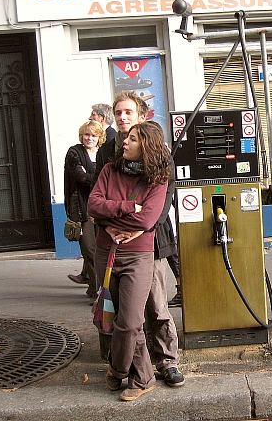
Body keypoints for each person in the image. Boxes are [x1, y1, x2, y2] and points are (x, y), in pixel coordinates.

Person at [96, 91, 185, 387]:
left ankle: (166, 360)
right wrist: (107, 224)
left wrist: (142, 227)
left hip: (151, 242)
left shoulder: (156, 149)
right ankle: (130, 367)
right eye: (118, 112)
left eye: (128, 112)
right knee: (121, 311)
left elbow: (163, 199)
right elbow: (96, 198)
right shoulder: (108, 151)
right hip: (114, 240)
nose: (122, 117)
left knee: (156, 306)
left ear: (141, 115)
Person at [88, 122, 170, 401]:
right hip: (106, 253)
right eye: (126, 138)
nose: (125, 142)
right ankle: (143, 377)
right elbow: (93, 205)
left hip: (138, 256)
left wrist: (108, 218)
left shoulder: (157, 181)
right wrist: (125, 208)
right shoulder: (109, 170)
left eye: (133, 139)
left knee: (131, 322)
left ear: (146, 146)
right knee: (116, 317)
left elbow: (147, 219)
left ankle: (117, 369)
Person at [64, 120, 106, 299]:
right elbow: (81, 177)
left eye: (93, 135)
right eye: (86, 134)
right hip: (82, 208)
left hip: (102, 207)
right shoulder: (74, 152)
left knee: (102, 249)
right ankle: (99, 292)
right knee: (90, 249)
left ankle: (95, 288)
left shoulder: (103, 153)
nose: (89, 138)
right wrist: (103, 182)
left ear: (100, 137)